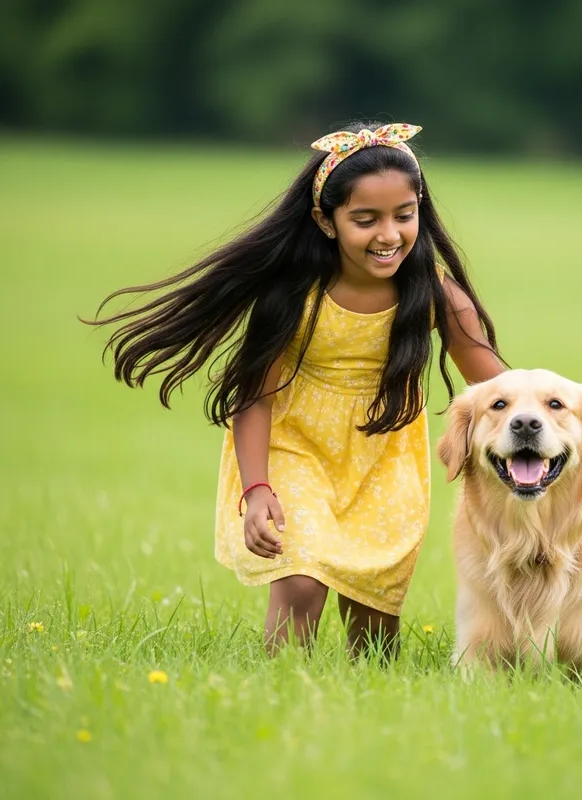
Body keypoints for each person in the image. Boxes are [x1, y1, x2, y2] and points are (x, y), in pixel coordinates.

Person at [88, 121, 505, 657]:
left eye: (404, 215)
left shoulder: (435, 296)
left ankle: (373, 703)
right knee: (302, 580)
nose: (389, 234)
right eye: (365, 220)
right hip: (296, 445)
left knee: (373, 612)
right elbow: (254, 395)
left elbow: (500, 386)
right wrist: (256, 488)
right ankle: (280, 686)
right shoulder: (293, 294)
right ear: (325, 221)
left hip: (386, 455)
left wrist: (567, 422)